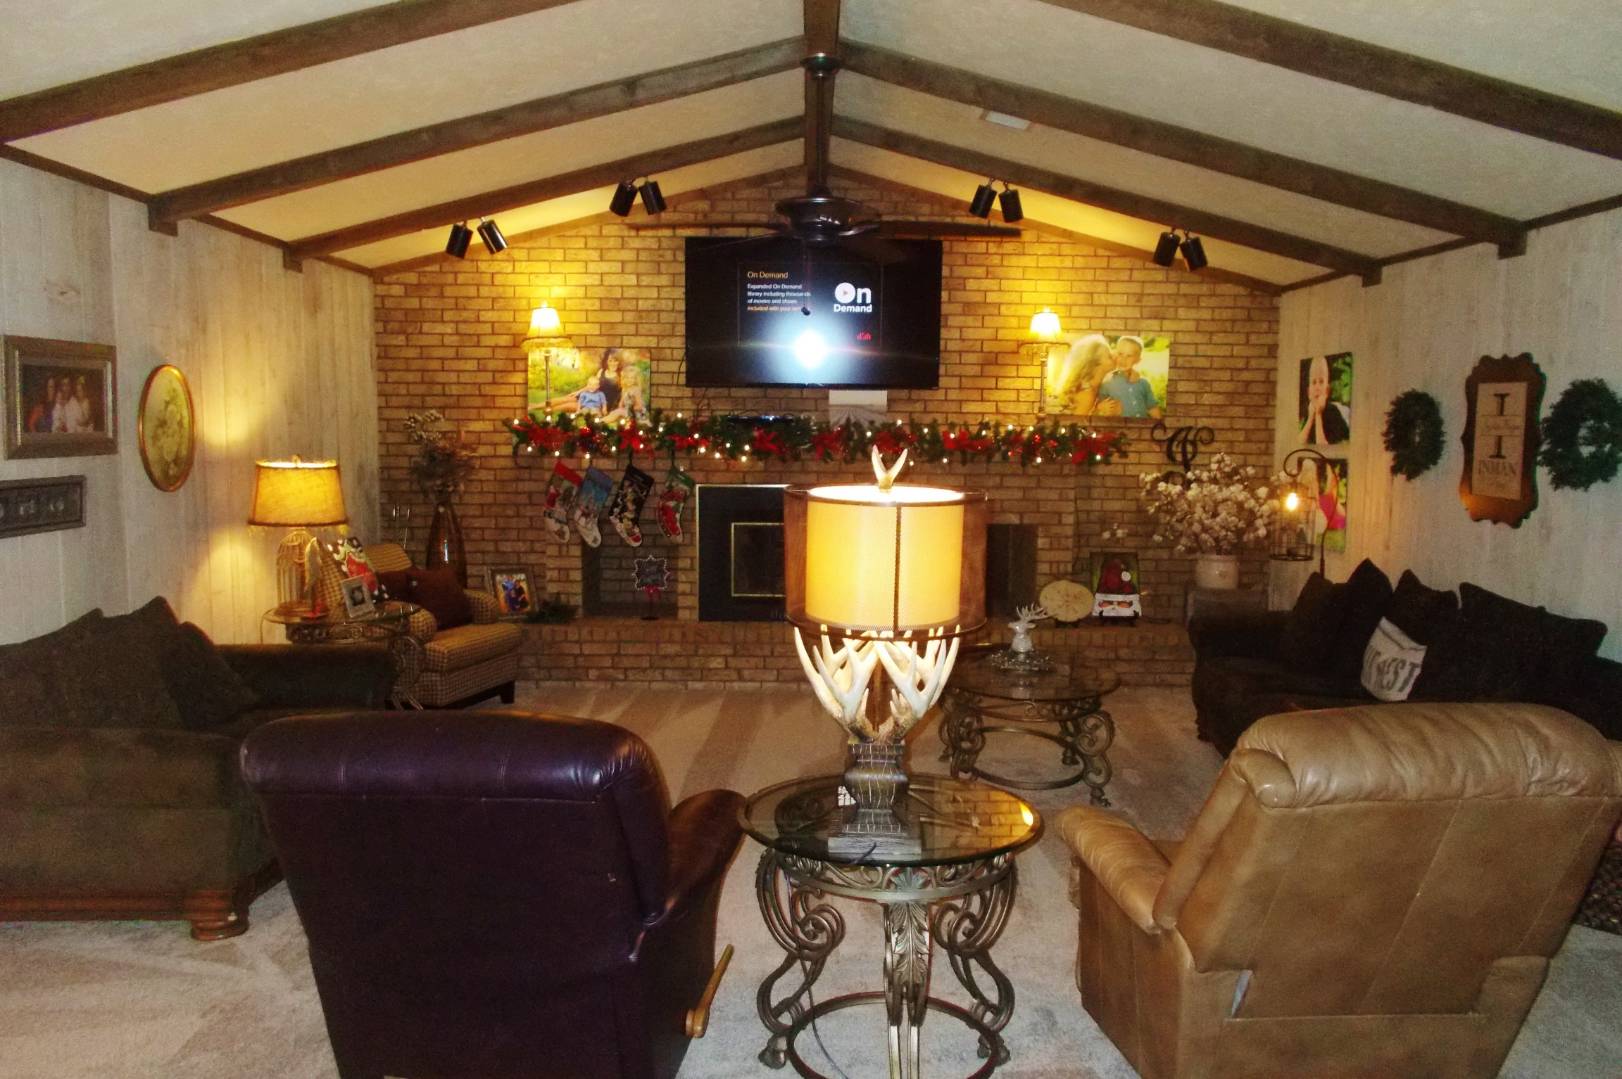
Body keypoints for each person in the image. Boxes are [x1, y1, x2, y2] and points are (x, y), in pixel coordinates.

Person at [1097, 336, 1163, 419]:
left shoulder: (1143, 383)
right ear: (1115, 354)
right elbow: (1100, 405)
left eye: (1129, 356)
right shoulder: (1107, 382)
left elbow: (1152, 407)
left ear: (1138, 360)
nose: (1123, 359)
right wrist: (1100, 407)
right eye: (1120, 354)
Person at [1049, 334, 1115, 416]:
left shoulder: (1099, 385)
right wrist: (1097, 411)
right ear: (1096, 363)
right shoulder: (1087, 394)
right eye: (1109, 356)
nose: (1114, 357)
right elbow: (1075, 422)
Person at [1299, 354, 1349, 445]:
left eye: (1321, 382)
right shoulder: (1310, 411)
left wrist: (1318, 414)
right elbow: (1300, 443)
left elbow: (1322, 445)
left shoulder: (1333, 411)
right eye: (1314, 382)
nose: (1317, 387)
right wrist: (1310, 418)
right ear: (1309, 392)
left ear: (1327, 390)